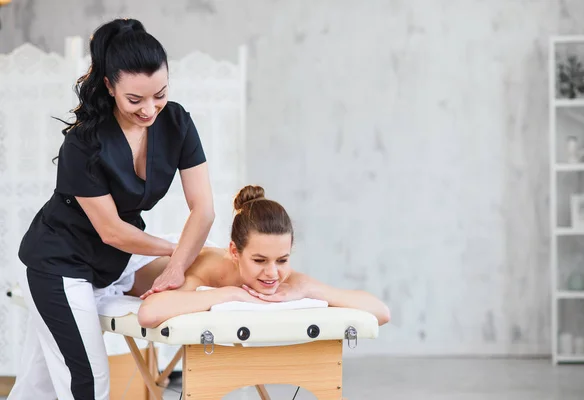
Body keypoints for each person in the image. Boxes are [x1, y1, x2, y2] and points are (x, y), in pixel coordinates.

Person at [9, 18, 215, 400]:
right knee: (87, 383)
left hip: (113, 262)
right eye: (135, 100)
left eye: (160, 94)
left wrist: (177, 264)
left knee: (38, 389)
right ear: (109, 86)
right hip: (59, 263)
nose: (150, 109)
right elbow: (113, 232)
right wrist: (178, 250)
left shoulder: (178, 122)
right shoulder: (84, 142)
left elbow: (203, 208)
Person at [127, 185, 391, 328]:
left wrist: (310, 288)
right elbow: (149, 313)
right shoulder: (209, 269)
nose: (272, 273)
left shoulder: (286, 278)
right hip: (126, 265)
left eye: (282, 260)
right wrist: (231, 294)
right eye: (260, 261)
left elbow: (381, 312)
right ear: (234, 252)